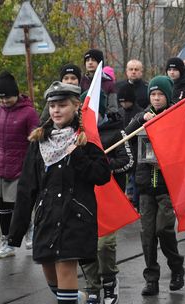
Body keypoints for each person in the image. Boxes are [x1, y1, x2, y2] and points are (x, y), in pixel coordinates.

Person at [8, 81, 111, 304]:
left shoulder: (86, 139)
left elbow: (102, 175)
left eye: (62, 105)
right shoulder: (39, 141)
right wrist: (15, 232)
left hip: (76, 217)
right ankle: (81, 299)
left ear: (75, 106)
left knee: (65, 269)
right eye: (52, 105)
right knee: (51, 276)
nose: (56, 110)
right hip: (47, 218)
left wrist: (79, 156)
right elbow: (27, 188)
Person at [125, 76, 185, 296]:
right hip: (145, 187)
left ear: (167, 96)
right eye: (153, 94)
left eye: (160, 95)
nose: (157, 98)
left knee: (164, 230)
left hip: (166, 186)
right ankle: (151, 279)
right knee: (147, 235)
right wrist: (142, 119)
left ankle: (177, 267)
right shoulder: (142, 116)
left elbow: (182, 146)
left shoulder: (176, 117)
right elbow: (126, 136)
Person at [82, 92, 134, 304]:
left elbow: (128, 161)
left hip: (109, 197)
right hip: (84, 198)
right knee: (85, 244)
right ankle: (92, 285)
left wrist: (104, 166)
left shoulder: (115, 131)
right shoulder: (78, 132)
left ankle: (110, 281)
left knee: (104, 245)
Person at [0, 71, 39, 259]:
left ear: (16, 94)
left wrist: (33, 167)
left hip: (21, 167)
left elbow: (35, 143)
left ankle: (29, 230)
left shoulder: (29, 112)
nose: (4, 101)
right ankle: (6, 242)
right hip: (0, 166)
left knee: (20, 205)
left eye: (7, 97)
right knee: (3, 206)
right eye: (0, 98)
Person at [80, 49, 118, 116]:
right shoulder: (81, 82)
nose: (90, 62)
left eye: (93, 60)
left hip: (104, 122)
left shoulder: (109, 83)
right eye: (87, 60)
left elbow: (113, 107)